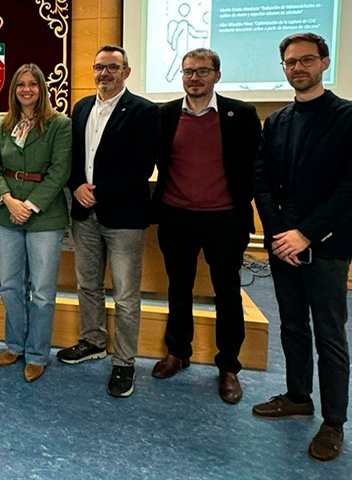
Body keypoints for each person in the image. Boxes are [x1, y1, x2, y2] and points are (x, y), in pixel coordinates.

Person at [252, 33, 352, 462]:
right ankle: (298, 396)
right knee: (292, 325)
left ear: (325, 63)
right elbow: (261, 179)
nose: (298, 68)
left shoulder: (350, 117)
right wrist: (280, 235)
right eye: (290, 63)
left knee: (329, 335)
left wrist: (307, 234)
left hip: (327, 247)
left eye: (307, 60)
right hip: (283, 245)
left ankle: (333, 422)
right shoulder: (277, 121)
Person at [150, 48, 261, 404]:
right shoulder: (165, 115)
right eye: (187, 72)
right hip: (176, 215)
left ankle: (228, 366)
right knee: (178, 288)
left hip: (225, 218)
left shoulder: (240, 114)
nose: (194, 78)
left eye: (202, 71)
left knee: (227, 293)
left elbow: (255, 168)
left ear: (217, 75)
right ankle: (178, 352)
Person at [58, 45, 160, 398]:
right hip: (84, 214)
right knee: (88, 284)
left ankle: (124, 361)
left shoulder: (145, 111)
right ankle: (93, 341)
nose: (104, 73)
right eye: (99, 67)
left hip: (124, 217)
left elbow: (141, 167)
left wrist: (97, 191)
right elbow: (71, 157)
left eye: (112, 67)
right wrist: (76, 187)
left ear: (126, 72)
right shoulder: (82, 107)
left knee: (127, 294)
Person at [0, 63, 72, 383]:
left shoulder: (59, 125)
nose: (26, 90)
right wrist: (8, 200)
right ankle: (15, 345)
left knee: (43, 291)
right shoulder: (2, 124)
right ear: (13, 90)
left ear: (42, 89)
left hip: (44, 217)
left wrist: (30, 206)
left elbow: (60, 171)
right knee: (10, 286)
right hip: (7, 213)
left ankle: (36, 353)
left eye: (32, 85)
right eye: (21, 84)